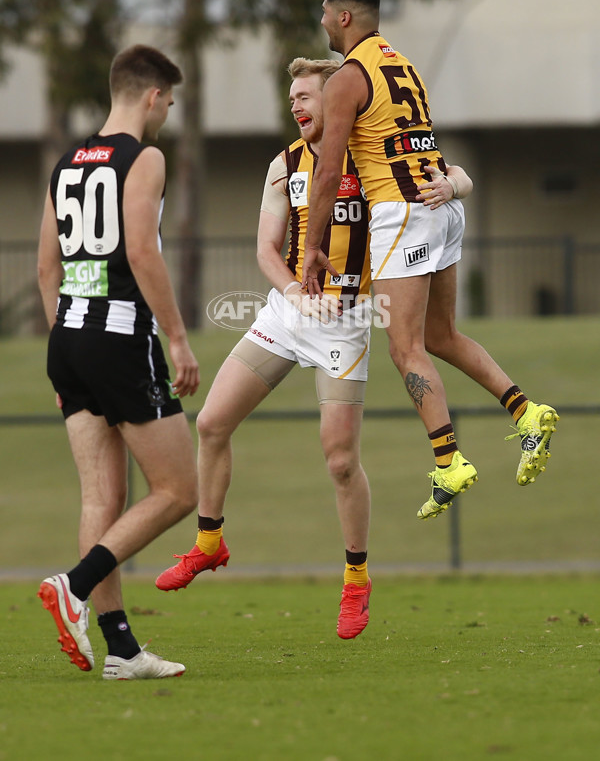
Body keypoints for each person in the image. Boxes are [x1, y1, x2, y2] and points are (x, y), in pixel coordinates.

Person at [156, 58, 472, 639]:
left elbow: (453, 175)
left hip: (348, 323)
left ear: (337, 101)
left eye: (307, 97)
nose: (297, 107)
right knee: (211, 422)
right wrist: (297, 296)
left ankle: (356, 581)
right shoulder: (284, 165)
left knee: (340, 460)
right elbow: (266, 251)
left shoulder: (374, 156)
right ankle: (208, 542)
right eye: (292, 98)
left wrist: (455, 183)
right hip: (289, 313)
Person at [301, 0, 559, 520]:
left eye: (325, 10)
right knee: (440, 335)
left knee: (404, 346)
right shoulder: (404, 64)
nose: (322, 19)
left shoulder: (347, 78)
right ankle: (525, 411)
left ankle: (448, 459)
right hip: (441, 208)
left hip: (402, 213)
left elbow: (327, 171)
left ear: (344, 16)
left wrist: (310, 248)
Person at [37, 44, 199, 679]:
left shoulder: (67, 162)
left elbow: (48, 268)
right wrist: (179, 339)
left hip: (69, 339)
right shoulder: (146, 157)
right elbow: (141, 250)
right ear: (153, 95)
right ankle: (73, 587)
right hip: (122, 337)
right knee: (179, 490)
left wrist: (64, 348)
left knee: (101, 499)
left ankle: (122, 651)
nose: (166, 114)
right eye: (169, 102)